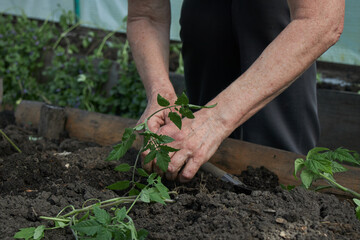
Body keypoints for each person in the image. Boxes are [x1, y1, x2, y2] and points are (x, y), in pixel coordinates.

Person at [126, 0, 345, 183]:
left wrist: (213, 121)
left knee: (281, 176)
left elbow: (321, 20)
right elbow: (145, 15)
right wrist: (160, 94)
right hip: (204, 22)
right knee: (199, 163)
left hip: (281, 30)